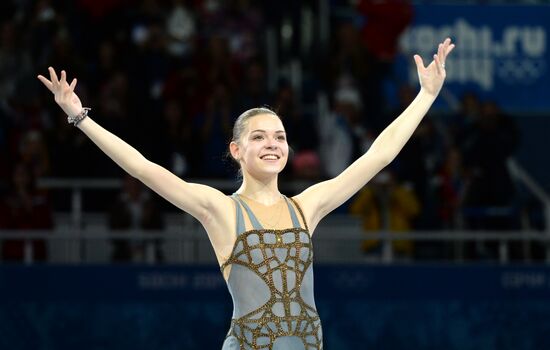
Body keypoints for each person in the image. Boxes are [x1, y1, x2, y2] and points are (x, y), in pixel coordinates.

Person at [37, 38, 454, 349]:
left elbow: (378, 155)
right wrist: (79, 117)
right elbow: (145, 169)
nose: (273, 144)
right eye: (259, 137)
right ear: (237, 150)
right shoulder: (220, 210)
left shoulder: (308, 206)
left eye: (280, 136)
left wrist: (426, 95)